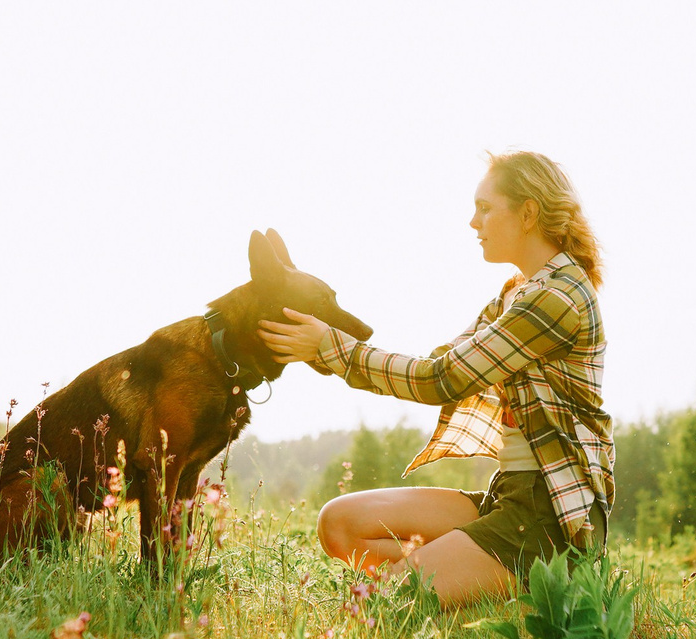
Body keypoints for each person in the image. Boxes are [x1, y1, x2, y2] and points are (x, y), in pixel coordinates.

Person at [257, 151, 614, 608]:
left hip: (548, 519)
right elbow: (441, 361)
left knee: (383, 606)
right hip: (506, 498)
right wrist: (326, 345)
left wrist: (331, 346)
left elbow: (440, 380)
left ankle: (520, 580)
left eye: (485, 208)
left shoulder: (557, 298)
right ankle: (473, 579)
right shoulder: (516, 293)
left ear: (528, 212)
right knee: (338, 524)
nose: (473, 222)